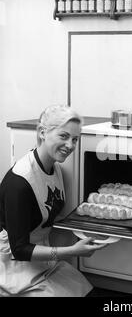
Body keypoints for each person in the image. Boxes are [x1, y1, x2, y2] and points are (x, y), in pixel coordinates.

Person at [0, 104, 104, 297]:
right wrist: (72, 251)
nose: (71, 146)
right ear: (42, 132)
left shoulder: (54, 168)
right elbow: (20, 250)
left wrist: (93, 225)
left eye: (75, 139)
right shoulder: (19, 183)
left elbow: (46, 215)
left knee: (88, 291)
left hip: (42, 259)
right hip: (13, 265)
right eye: (63, 136)